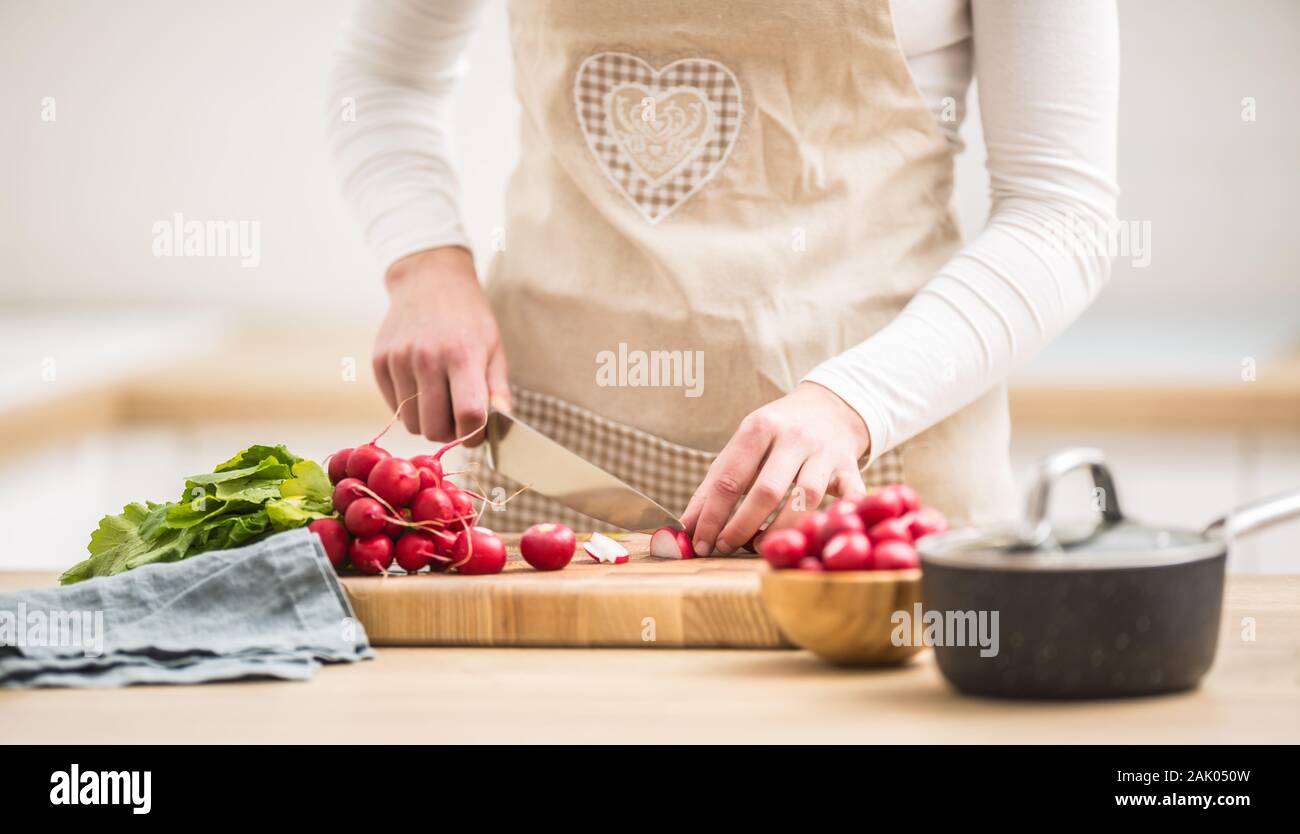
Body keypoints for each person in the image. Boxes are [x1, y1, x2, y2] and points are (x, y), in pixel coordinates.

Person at [328, 0, 1119, 556]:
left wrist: (856, 401)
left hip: (884, 459)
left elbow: (1063, 212)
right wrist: (424, 259)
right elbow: (387, 79)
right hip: (557, 455)